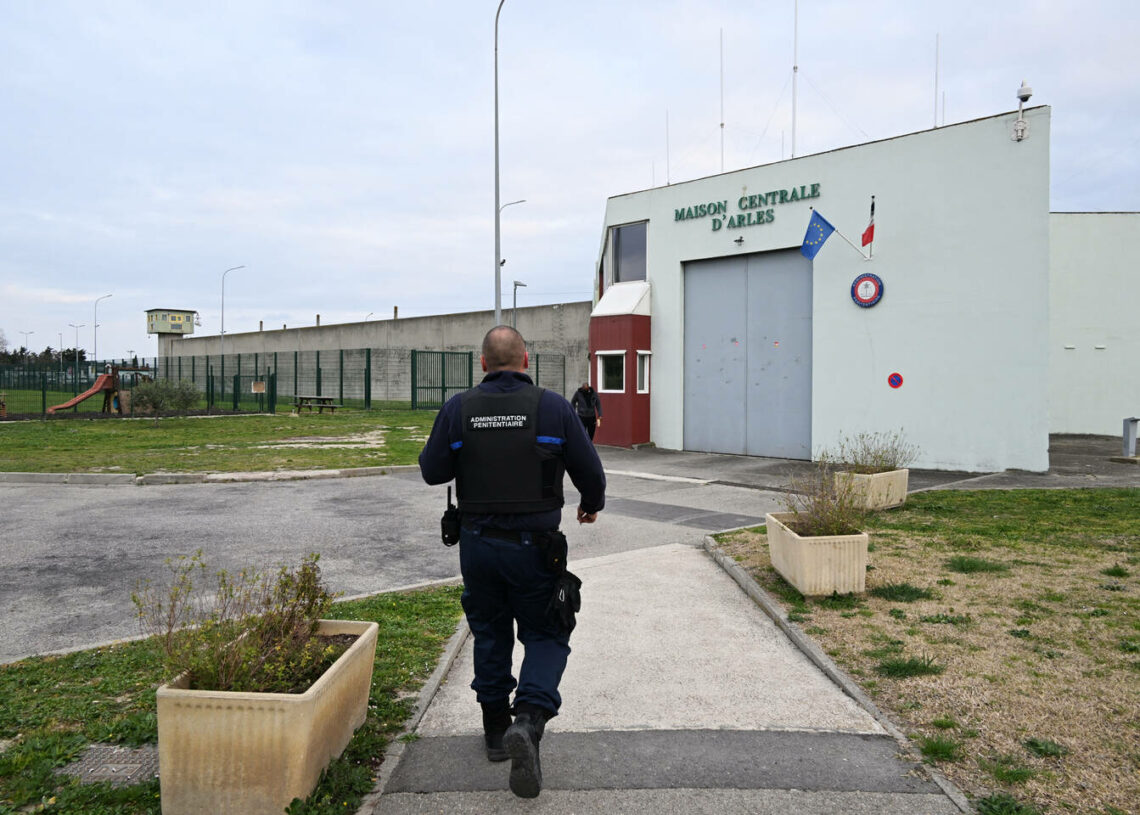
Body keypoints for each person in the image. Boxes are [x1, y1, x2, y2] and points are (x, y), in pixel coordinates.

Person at [419, 325, 606, 799]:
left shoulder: (458, 408)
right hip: (536, 548)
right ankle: (529, 720)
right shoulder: (552, 407)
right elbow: (590, 472)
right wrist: (590, 503)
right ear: (526, 359)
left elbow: (433, 471)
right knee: (546, 632)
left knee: (489, 630)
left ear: (482, 363)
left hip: (478, 546)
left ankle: (495, 730)